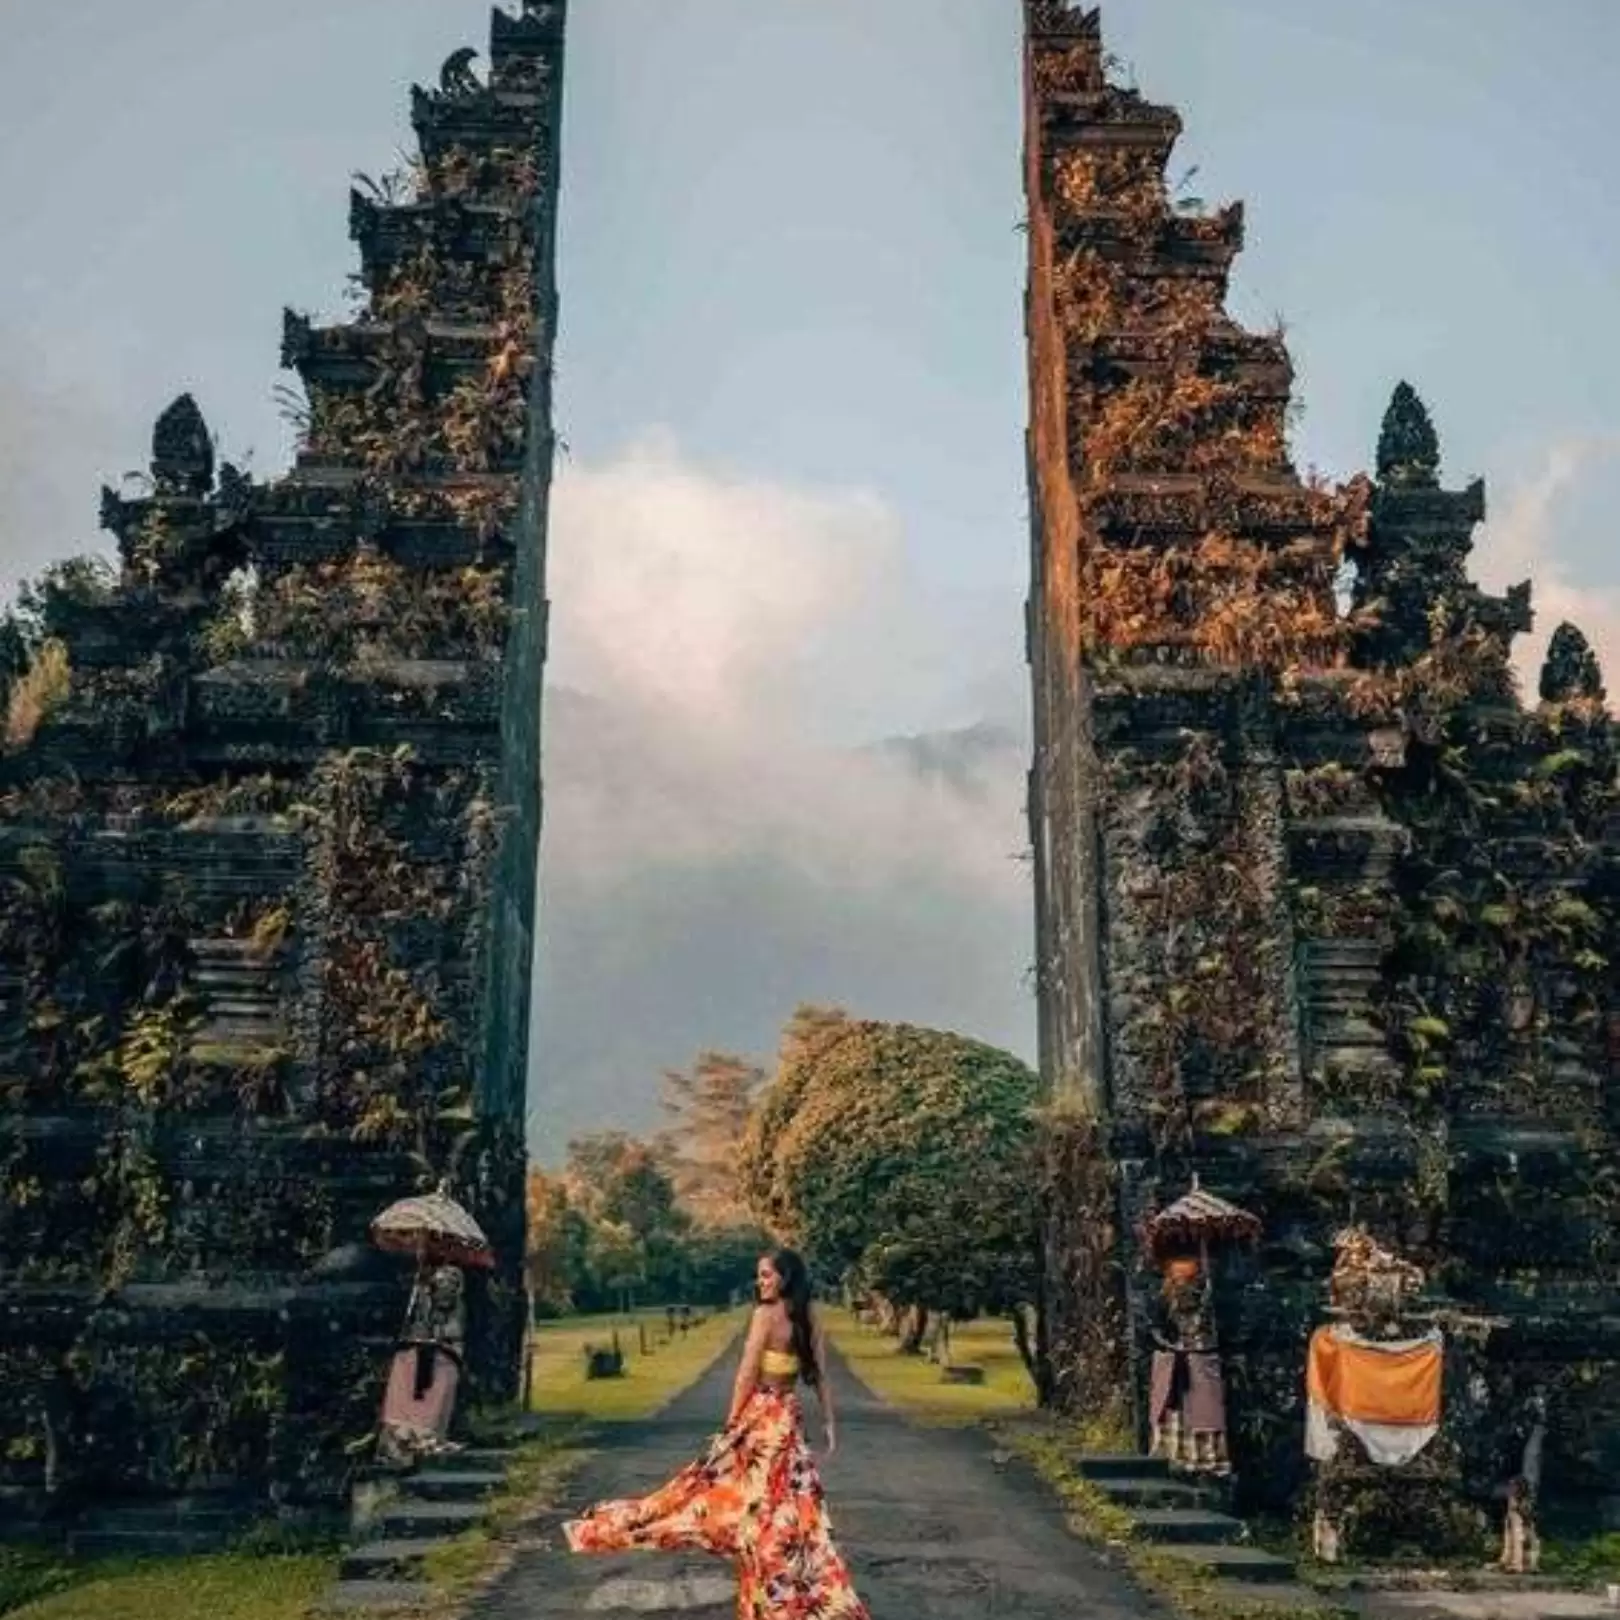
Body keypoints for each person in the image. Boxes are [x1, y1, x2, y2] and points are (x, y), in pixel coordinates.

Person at [564, 1249, 870, 1618]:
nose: (761, 1282)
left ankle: (776, 1601)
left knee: (766, 1511)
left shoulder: (770, 1317)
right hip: (781, 1421)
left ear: (786, 1278)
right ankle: (779, 1600)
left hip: (768, 1421)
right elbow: (816, 1375)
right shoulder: (805, 1317)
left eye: (767, 1275)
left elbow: (747, 1374)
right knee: (778, 1511)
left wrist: (733, 1425)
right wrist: (827, 1423)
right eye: (759, 1275)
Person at [377, 1263, 466, 1468]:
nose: (447, 1288)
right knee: (407, 1383)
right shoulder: (421, 1300)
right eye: (442, 1283)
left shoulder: (458, 1307)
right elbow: (417, 1330)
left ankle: (427, 1435)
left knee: (440, 1383)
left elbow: (454, 1332)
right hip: (418, 1355)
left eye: (452, 1284)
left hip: (445, 1357)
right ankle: (403, 1437)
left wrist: (439, 1335)